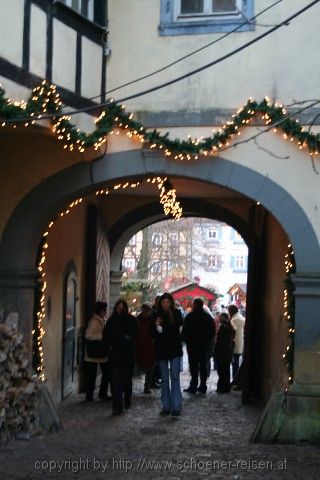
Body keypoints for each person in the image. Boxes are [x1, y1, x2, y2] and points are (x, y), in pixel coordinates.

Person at [150, 292, 183, 416]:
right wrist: (156, 325)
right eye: (163, 301)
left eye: (168, 301)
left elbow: (176, 327)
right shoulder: (155, 315)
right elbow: (151, 333)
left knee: (175, 378)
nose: (165, 304)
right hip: (162, 351)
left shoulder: (176, 313)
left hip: (174, 350)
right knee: (164, 379)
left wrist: (166, 323)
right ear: (160, 302)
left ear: (171, 302)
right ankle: (166, 406)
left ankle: (176, 406)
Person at [104, 299, 139, 415]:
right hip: (115, 357)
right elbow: (106, 338)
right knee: (115, 383)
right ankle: (117, 407)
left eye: (122, 307)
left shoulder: (131, 320)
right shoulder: (111, 322)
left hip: (127, 357)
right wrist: (110, 347)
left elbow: (135, 334)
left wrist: (125, 339)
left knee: (127, 381)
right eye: (118, 307)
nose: (120, 310)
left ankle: (127, 400)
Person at [182, 298, 215, 394]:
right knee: (203, 365)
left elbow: (184, 331)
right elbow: (212, 332)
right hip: (203, 345)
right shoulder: (207, 317)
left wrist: (187, 340)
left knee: (194, 366)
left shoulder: (190, 316)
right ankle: (203, 386)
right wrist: (207, 341)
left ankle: (193, 386)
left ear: (195, 305)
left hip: (192, 345)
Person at [84, 301, 110, 402]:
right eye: (105, 310)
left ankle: (96, 394)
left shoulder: (100, 320)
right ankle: (92, 395)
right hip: (94, 353)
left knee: (102, 373)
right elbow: (88, 335)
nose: (106, 312)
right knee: (93, 375)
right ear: (101, 310)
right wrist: (102, 336)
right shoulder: (95, 321)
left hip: (98, 353)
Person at [135, 303, 155, 394]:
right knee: (141, 366)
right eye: (144, 310)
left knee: (149, 368)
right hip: (140, 346)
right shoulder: (137, 320)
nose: (146, 312)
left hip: (149, 347)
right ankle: (145, 386)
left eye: (147, 311)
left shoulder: (151, 320)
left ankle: (147, 386)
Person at [214, 312, 235, 393]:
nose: (218, 318)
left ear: (224, 318)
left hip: (222, 352)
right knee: (225, 371)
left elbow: (220, 342)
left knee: (222, 371)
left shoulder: (224, 327)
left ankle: (222, 388)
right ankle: (225, 387)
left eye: (220, 317)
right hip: (226, 352)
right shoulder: (227, 326)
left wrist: (215, 351)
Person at [228, 304, 245, 382]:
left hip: (234, 343)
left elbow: (233, 331)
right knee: (237, 361)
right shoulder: (241, 317)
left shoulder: (233, 319)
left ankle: (235, 379)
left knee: (235, 362)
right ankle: (236, 378)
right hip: (240, 342)